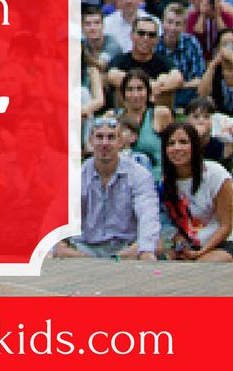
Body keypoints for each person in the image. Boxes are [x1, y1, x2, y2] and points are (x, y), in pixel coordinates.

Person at [56, 115, 159, 259]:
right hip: (85, 250)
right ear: (90, 141)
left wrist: (145, 249)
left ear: (120, 142)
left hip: (126, 249)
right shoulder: (76, 176)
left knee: (148, 251)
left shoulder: (139, 175)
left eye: (111, 137)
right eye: (99, 137)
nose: (105, 143)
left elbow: (148, 215)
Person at [159, 121, 233, 262]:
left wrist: (201, 252)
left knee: (202, 265)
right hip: (192, 246)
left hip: (224, 242)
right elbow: (175, 226)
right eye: (171, 143)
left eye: (183, 142)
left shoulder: (216, 174)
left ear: (194, 146)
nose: (177, 148)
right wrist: (181, 245)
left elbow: (226, 226)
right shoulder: (165, 183)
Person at [106, 15, 182, 110]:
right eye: (141, 33)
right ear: (132, 35)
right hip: (127, 114)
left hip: (156, 112)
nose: (146, 38)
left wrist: (159, 84)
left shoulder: (163, 61)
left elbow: (177, 78)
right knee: (124, 86)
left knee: (165, 78)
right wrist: (148, 86)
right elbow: (112, 75)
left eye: (151, 35)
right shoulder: (120, 59)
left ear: (157, 40)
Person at [112, 68, 172, 181]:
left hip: (155, 179)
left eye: (140, 89)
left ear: (148, 92)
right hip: (122, 181)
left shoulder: (160, 114)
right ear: (123, 94)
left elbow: (171, 148)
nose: (135, 95)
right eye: (130, 89)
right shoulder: (113, 118)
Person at [156, 2, 205, 109]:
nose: (172, 28)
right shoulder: (154, 43)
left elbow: (199, 79)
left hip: (187, 95)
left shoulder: (191, 43)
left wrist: (177, 85)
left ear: (184, 26)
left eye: (178, 24)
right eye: (169, 22)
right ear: (162, 22)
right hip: (159, 94)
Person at [198, 31, 233, 116]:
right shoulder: (214, 68)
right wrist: (212, 66)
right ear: (218, 48)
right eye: (225, 44)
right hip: (220, 117)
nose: (229, 48)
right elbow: (202, 94)